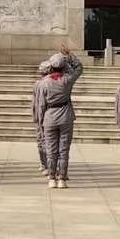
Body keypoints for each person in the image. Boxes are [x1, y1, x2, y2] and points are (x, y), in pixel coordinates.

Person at [37, 47, 83, 190]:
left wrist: (40, 121)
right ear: (64, 68)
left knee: (51, 150)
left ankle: (52, 178)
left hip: (49, 116)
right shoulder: (67, 80)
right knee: (63, 150)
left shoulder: (44, 82)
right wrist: (69, 55)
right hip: (65, 116)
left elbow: (41, 104)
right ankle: (62, 178)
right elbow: (79, 68)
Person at [33, 59, 52, 174]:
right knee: (41, 141)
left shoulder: (48, 83)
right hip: (39, 115)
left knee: (46, 142)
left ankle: (48, 165)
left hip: (45, 115)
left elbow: (41, 103)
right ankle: (43, 162)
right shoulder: (38, 84)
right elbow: (35, 102)